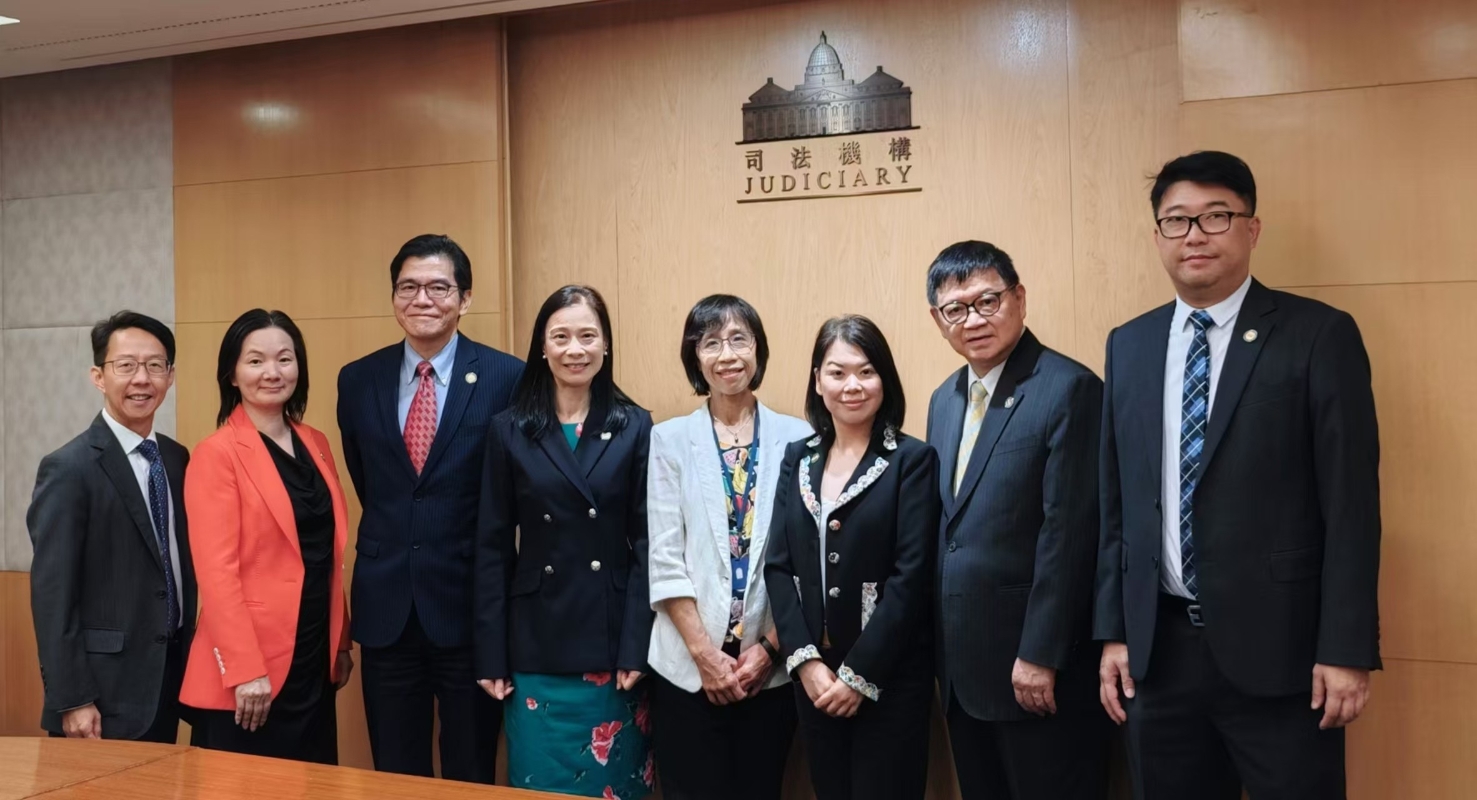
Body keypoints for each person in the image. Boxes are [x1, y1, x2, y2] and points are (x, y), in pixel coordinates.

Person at [1094, 151, 1382, 799]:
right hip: (1158, 654)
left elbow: (1351, 506)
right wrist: (1114, 632)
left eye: (1215, 216)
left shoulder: (1318, 335)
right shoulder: (1129, 344)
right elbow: (1118, 505)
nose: (1194, 235)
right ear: (1157, 236)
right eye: (1176, 220)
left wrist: (1345, 647)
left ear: (1251, 229)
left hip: (1284, 653)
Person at [924, 241, 1109, 799]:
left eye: (988, 301)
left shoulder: (1068, 388)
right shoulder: (944, 399)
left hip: (1035, 668)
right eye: (955, 309)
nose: (973, 319)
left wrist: (1040, 653)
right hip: (962, 670)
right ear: (937, 319)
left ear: (1019, 298)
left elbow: (1070, 534)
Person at [337, 234, 522, 782]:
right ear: (394, 296)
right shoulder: (358, 378)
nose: (422, 299)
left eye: (439, 287)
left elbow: (511, 491)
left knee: (471, 769)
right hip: (387, 608)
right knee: (395, 773)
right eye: (408, 287)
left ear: (465, 298)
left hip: (469, 608)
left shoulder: (507, 377)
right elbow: (370, 479)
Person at [474, 285, 656, 799]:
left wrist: (637, 646)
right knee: (541, 784)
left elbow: (647, 546)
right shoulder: (510, 430)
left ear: (606, 345)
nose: (575, 349)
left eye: (587, 336)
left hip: (612, 645)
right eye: (561, 337)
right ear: (542, 346)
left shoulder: (635, 425)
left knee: (613, 784)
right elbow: (492, 547)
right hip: (536, 643)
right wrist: (490, 653)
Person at [764, 315, 940, 800]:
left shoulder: (911, 460)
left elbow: (911, 578)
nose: (852, 386)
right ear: (817, 380)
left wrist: (859, 676)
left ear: (885, 379)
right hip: (815, 678)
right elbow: (778, 565)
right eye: (837, 372)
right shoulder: (798, 458)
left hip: (889, 676)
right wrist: (805, 663)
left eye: (866, 371)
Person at [645, 295, 811, 800]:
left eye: (739, 339)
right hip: (686, 668)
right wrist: (705, 656)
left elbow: (807, 561)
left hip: (769, 669)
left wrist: (769, 650)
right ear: (694, 357)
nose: (727, 354)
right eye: (711, 343)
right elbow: (664, 557)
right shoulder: (669, 440)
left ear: (758, 349)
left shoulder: (799, 438)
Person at [180, 309, 353, 764]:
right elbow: (216, 574)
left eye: (285, 359)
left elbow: (325, 552)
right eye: (255, 361)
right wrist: (244, 669)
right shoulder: (216, 454)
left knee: (313, 786)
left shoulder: (316, 442)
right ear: (232, 374)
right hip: (252, 671)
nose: (272, 372)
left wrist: (340, 641)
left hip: (313, 658)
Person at [28, 311, 196, 742]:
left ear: (170, 376)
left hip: (168, 680)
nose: (142, 378)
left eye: (154, 365)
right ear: (99, 377)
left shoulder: (177, 459)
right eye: (126, 365)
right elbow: (52, 596)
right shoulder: (68, 468)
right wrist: (72, 698)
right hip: (100, 696)